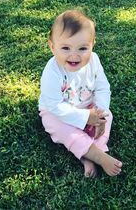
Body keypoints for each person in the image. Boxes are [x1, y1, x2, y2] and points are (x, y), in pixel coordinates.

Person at [38, 9, 122, 178]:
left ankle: (91, 151)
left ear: (92, 45)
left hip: (88, 106)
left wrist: (100, 113)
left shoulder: (94, 61)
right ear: (52, 46)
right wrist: (85, 118)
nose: (74, 55)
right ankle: (98, 156)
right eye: (66, 48)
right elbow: (54, 105)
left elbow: (102, 88)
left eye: (83, 48)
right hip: (57, 112)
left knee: (108, 116)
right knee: (59, 127)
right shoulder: (52, 72)